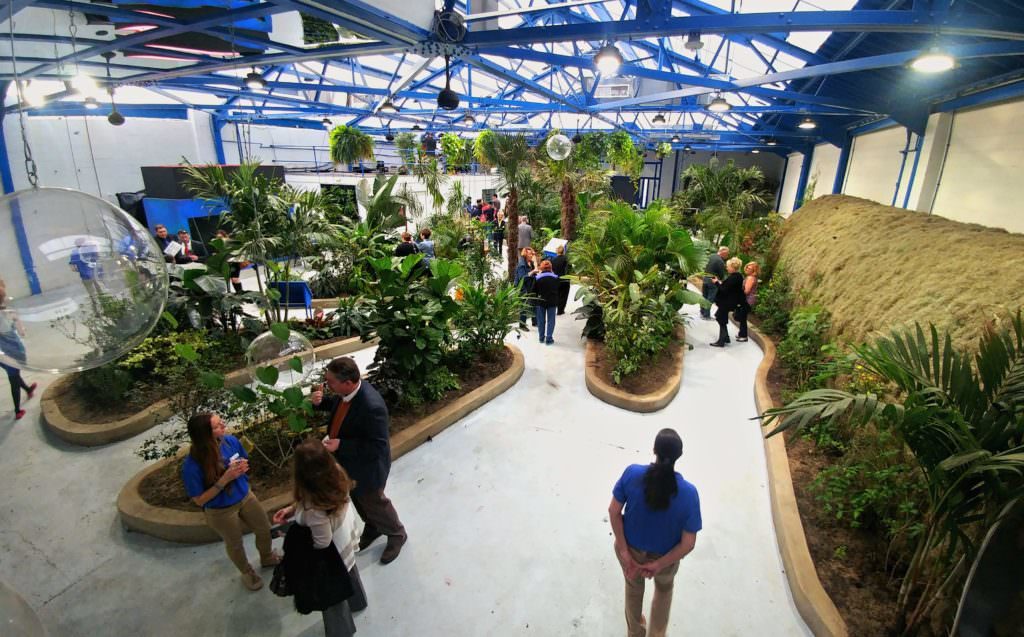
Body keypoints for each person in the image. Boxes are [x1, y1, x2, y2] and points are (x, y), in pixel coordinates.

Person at [311, 357, 407, 564]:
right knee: (357, 499)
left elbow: (377, 446)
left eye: (331, 382)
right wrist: (321, 403)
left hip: (367, 468)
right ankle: (372, 526)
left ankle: (396, 533)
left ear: (347, 382)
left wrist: (341, 445)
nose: (328, 385)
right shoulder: (347, 393)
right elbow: (338, 405)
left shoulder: (371, 407)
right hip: (349, 464)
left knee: (375, 502)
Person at [609, 429, 701, 637]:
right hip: (665, 558)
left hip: (630, 550)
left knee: (633, 588)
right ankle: (657, 634)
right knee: (664, 590)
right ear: (679, 456)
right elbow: (688, 543)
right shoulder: (689, 493)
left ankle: (635, 632)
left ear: (654, 450)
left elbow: (614, 512)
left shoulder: (632, 474)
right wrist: (659, 564)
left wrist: (624, 551)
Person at [273, 440, 366, 636]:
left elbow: (322, 542)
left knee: (333, 598)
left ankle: (341, 631)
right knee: (350, 572)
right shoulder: (336, 473)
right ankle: (358, 602)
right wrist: (293, 509)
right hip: (345, 540)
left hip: (332, 555)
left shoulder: (314, 509)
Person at [181, 413, 280, 591]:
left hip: (244, 495)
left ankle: (266, 556)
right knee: (235, 543)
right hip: (220, 510)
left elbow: (243, 459)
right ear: (205, 434)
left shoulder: (230, 441)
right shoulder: (192, 466)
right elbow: (199, 500)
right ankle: (247, 571)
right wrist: (224, 480)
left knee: (264, 527)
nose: (224, 426)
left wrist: (243, 467)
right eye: (218, 426)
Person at [0, 279, 36, 421]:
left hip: (3, 353)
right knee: (13, 378)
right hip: (9, 352)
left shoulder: (5, 311)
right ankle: (17, 411)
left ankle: (28, 390)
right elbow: (19, 333)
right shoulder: (6, 314)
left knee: (14, 373)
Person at [709, 257, 744, 348]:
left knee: (721, 319)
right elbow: (729, 288)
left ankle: (722, 341)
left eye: (728, 266)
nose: (727, 268)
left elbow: (724, 290)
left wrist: (716, 282)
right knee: (720, 318)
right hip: (729, 302)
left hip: (726, 303)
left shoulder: (734, 278)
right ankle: (725, 337)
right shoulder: (738, 276)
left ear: (733, 267)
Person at [532, 260, 560, 345]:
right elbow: (558, 289)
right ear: (551, 268)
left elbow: (533, 291)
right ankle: (549, 338)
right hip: (552, 301)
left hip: (541, 302)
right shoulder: (556, 278)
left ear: (541, 267)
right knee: (551, 320)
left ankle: (541, 338)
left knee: (541, 320)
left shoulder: (537, 278)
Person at [700, 247, 729, 320]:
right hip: (713, 280)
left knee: (704, 296)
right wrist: (721, 280)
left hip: (705, 277)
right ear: (723, 253)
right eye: (727, 254)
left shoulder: (711, 256)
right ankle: (706, 315)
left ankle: (702, 312)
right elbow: (721, 274)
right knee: (710, 298)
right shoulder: (720, 261)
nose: (727, 256)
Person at [735, 261, 760, 343]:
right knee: (742, 317)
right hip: (748, 300)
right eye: (747, 267)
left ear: (754, 270)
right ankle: (741, 334)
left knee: (742, 318)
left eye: (750, 268)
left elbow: (746, 291)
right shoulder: (751, 277)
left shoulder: (750, 278)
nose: (747, 269)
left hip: (747, 300)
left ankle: (743, 336)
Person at [514, 247, 538, 330]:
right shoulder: (522, 264)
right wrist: (533, 272)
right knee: (524, 306)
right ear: (525, 254)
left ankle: (535, 321)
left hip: (530, 286)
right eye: (530, 254)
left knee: (533, 303)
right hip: (522, 287)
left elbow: (534, 272)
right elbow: (522, 278)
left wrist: (535, 267)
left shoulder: (530, 263)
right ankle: (522, 325)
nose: (531, 255)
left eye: (532, 254)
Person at [550, 243, 571, 315]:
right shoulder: (566, 259)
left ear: (557, 251)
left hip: (556, 279)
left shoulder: (553, 260)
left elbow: (552, 269)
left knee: (558, 294)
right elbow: (569, 269)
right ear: (563, 251)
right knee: (564, 294)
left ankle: (558, 307)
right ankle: (561, 309)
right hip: (565, 279)